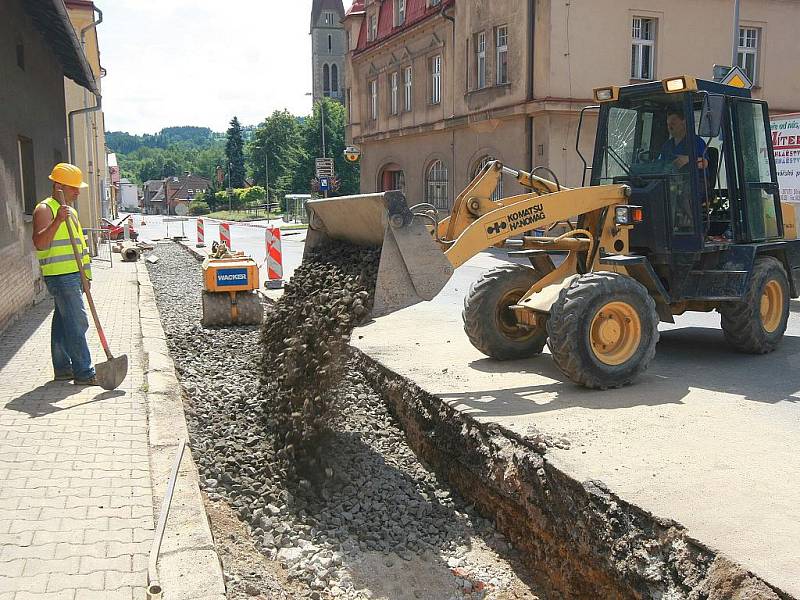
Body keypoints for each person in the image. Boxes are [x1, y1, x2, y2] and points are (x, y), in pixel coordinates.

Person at [32, 163, 96, 385]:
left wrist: (86, 275)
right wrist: (58, 220)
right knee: (77, 322)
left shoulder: (72, 210)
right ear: (58, 186)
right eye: (73, 188)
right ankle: (84, 372)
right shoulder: (45, 209)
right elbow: (39, 243)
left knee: (63, 322)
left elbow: (79, 246)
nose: (78, 192)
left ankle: (62, 369)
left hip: (74, 275)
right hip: (60, 276)